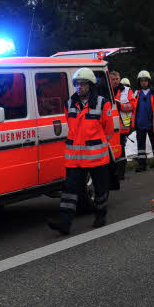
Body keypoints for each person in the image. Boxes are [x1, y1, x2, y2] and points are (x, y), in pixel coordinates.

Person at [47, 68, 114, 235]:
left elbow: (109, 129)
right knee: (69, 189)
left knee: (100, 188)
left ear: (90, 85)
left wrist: (95, 143)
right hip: (74, 158)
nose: (79, 87)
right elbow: (71, 127)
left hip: (96, 157)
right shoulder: (69, 104)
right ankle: (65, 221)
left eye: (83, 84)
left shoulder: (102, 103)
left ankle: (100, 214)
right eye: (77, 84)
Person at [131, 70, 154, 170]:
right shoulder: (136, 93)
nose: (143, 82)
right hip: (140, 123)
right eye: (141, 81)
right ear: (139, 82)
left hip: (152, 123)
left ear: (149, 81)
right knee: (140, 146)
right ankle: (142, 165)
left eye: (145, 80)